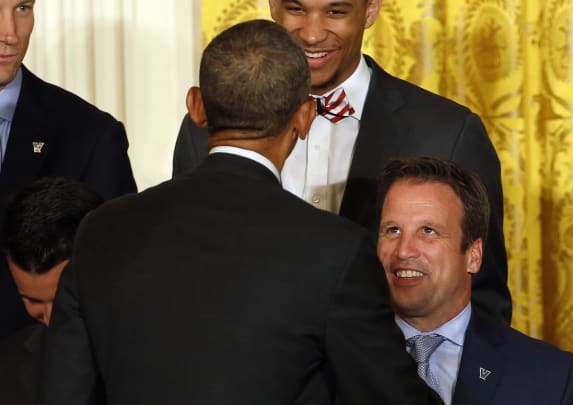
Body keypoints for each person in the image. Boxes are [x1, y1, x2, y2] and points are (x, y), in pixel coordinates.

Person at [40, 20, 442, 405]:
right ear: (304, 117)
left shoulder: (102, 230)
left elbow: (65, 392)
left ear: (196, 107)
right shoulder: (337, 251)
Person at [172, 0, 511, 324]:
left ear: (371, 10)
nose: (312, 34)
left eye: (335, 11)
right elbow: (187, 270)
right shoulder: (206, 127)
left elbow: (482, 301)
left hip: (392, 377)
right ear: (274, 6)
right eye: (296, 9)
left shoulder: (448, 133)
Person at [376, 157, 573, 405]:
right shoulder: (334, 360)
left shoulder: (548, 376)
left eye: (428, 231)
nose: (403, 251)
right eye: (393, 230)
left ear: (473, 256)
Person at [0, 0, 137, 339]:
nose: (10, 34)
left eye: (22, 8)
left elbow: (116, 280)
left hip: (37, 378)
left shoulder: (90, 135)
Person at [0, 177, 103, 405]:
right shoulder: (7, 369)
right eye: (31, 299)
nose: (50, 317)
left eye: (61, 300)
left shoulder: (146, 357)